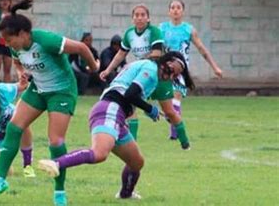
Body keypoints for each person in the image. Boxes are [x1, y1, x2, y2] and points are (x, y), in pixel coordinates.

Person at [0, 0, 99, 206]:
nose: (7, 44)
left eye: (9, 39)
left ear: (23, 34)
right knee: (13, 127)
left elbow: (82, 47)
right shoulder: (16, 48)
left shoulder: (46, 41)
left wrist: (93, 67)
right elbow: (19, 63)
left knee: (55, 141)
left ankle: (59, 192)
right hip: (38, 90)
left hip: (61, 92)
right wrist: (22, 75)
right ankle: (0, 180)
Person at [37, 51, 195, 200]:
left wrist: (147, 108)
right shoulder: (151, 69)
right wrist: (149, 109)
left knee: (136, 162)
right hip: (111, 109)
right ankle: (56, 163)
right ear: (165, 62)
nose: (171, 75)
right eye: (172, 70)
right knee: (99, 153)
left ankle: (126, 194)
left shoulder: (148, 67)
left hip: (117, 114)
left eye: (176, 75)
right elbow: (130, 94)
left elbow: (131, 93)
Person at [159, 0, 223, 140]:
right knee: (166, 103)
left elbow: (202, 49)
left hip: (181, 71)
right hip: (164, 70)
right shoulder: (162, 28)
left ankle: (175, 134)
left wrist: (215, 67)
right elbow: (155, 48)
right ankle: (161, 115)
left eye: (178, 8)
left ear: (183, 11)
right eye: (173, 8)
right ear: (169, 11)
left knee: (176, 99)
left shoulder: (189, 30)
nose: (175, 10)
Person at [99, 4, 164, 141]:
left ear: (148, 18)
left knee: (168, 109)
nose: (139, 18)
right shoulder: (129, 33)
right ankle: (132, 140)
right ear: (132, 18)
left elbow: (157, 54)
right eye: (137, 15)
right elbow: (121, 54)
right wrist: (108, 70)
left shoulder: (154, 32)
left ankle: (180, 136)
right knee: (131, 104)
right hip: (138, 72)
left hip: (154, 72)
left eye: (143, 15)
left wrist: (139, 63)